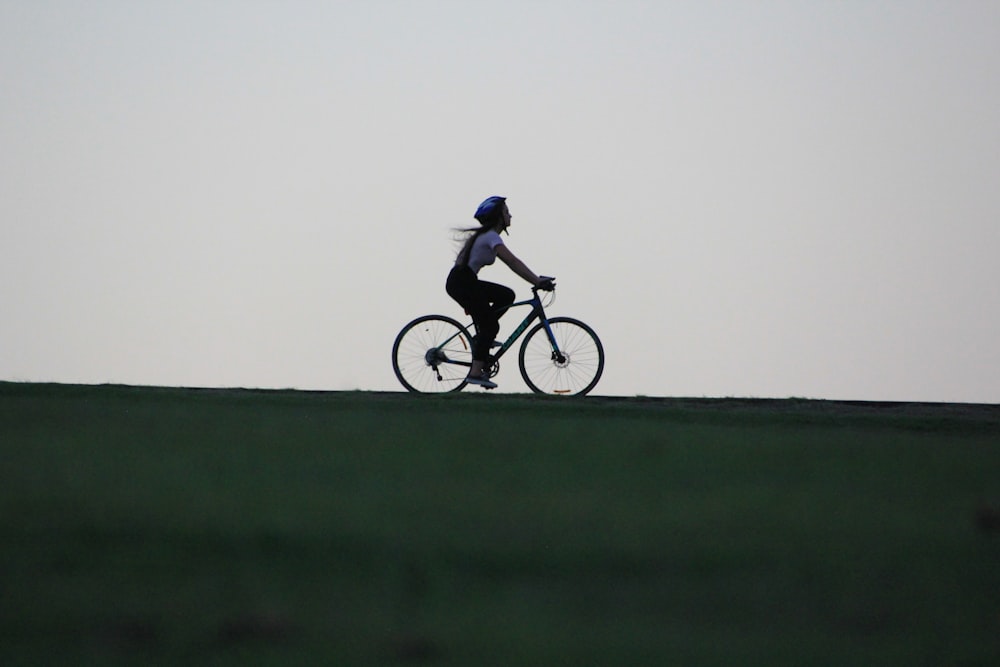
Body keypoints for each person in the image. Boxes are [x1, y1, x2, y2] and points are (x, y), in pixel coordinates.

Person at [446, 196, 555, 389]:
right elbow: (513, 262)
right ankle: (475, 372)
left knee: (506, 296)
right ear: (498, 217)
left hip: (465, 281)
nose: (510, 215)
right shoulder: (490, 237)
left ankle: (481, 339)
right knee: (491, 326)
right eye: (506, 212)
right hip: (462, 282)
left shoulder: (486, 236)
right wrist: (537, 281)